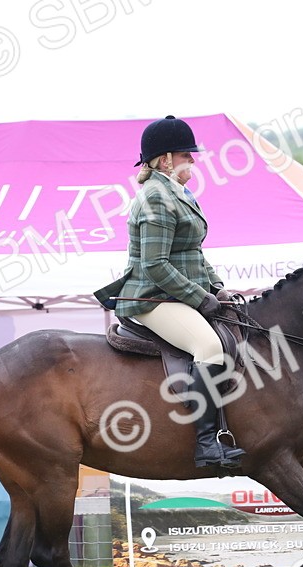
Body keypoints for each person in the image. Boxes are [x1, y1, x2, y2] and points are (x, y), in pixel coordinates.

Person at [94, 115, 244, 469]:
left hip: (175, 293)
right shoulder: (155, 199)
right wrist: (200, 298)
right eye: (186, 155)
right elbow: (156, 265)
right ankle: (207, 443)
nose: (193, 160)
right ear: (165, 160)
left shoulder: (179, 193)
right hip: (151, 297)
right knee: (208, 347)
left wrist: (217, 288)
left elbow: (193, 253)